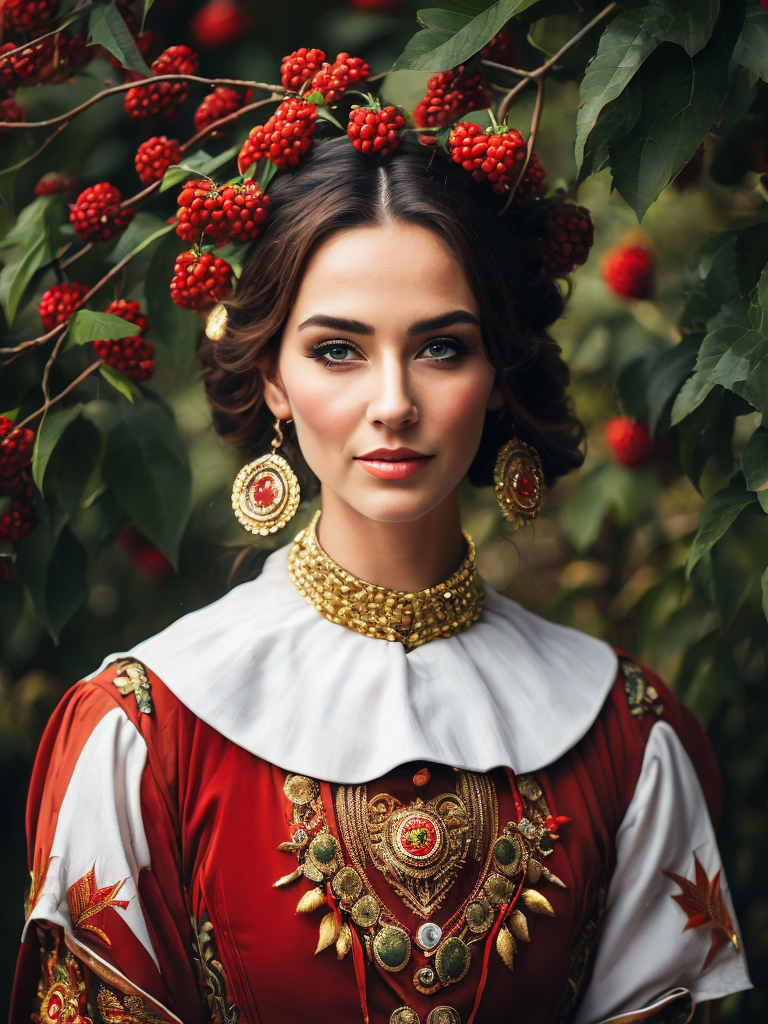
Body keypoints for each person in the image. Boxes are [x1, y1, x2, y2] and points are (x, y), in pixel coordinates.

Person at [11, 130, 752, 1024]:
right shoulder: (145, 727)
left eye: (442, 348)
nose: (394, 403)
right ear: (272, 377)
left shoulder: (627, 732)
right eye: (337, 350)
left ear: (499, 372)